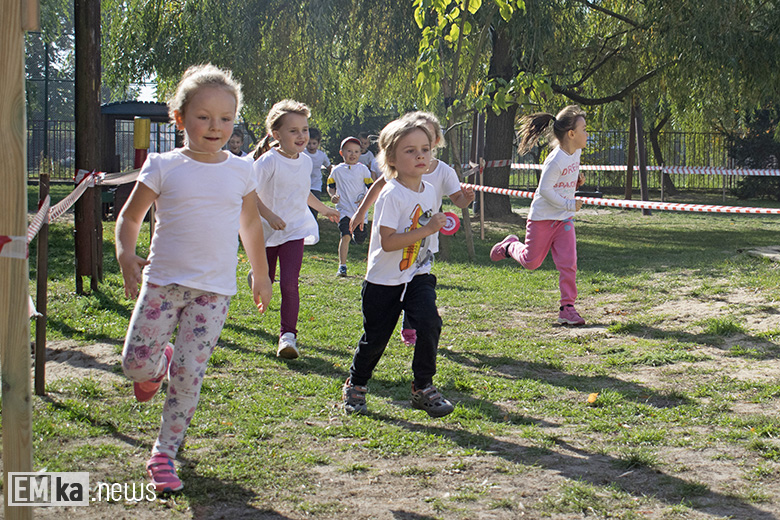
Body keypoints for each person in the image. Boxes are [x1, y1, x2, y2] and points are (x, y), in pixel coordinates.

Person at [116, 64, 273, 493]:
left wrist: (261, 274)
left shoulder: (241, 170)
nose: (216, 126)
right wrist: (125, 252)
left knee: (188, 374)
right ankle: (157, 365)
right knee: (135, 365)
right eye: (204, 117)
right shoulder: (163, 165)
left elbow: (250, 225)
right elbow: (130, 217)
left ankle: (164, 453)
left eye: (226, 118)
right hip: (162, 284)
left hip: (213, 292)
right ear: (180, 118)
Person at [342, 117, 454, 418]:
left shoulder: (429, 189)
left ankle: (423, 387)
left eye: (425, 149)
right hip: (384, 280)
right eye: (410, 151)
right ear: (391, 158)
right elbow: (389, 242)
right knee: (376, 339)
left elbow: (425, 225)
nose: (420, 156)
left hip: (418, 274)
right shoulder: (391, 193)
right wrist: (427, 229)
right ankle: (356, 384)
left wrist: (433, 228)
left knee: (429, 322)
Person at [350, 111, 475, 346]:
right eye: (411, 145)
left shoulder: (443, 171)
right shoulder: (396, 182)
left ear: (435, 141)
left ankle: (413, 329)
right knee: (377, 333)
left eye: (425, 142)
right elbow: (379, 185)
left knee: (419, 294)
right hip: (399, 243)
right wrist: (361, 211)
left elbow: (458, 200)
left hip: (425, 243)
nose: (419, 152)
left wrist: (466, 199)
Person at [251, 99, 340, 359]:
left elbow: (303, 193)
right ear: (276, 134)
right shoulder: (267, 162)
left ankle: (288, 336)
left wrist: (324, 209)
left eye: (305, 130)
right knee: (266, 280)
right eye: (294, 131)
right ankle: (257, 275)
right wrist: (269, 215)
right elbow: (248, 194)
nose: (302, 136)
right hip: (266, 233)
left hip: (294, 230)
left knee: (290, 283)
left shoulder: (306, 162)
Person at [490, 105, 588, 326]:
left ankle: (567, 308)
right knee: (531, 262)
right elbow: (545, 190)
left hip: (563, 220)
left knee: (569, 263)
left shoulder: (576, 152)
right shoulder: (555, 160)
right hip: (542, 218)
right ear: (571, 134)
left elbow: (562, 182)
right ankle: (510, 246)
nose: (587, 134)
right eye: (584, 129)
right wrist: (569, 203)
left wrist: (575, 182)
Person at [327, 136, 373, 277]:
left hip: (360, 211)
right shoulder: (337, 170)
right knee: (345, 235)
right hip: (344, 209)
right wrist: (333, 196)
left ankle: (357, 236)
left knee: (360, 239)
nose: (353, 154)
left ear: (360, 153)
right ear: (342, 153)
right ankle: (342, 266)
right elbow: (330, 186)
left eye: (356, 151)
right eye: (349, 151)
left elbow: (371, 187)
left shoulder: (363, 169)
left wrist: (364, 199)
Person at [303, 127, 332, 218]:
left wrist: (333, 179)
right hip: (303, 184)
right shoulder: (302, 153)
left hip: (316, 185)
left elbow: (329, 167)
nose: (311, 146)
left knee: (314, 209)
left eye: (314, 143)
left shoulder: (321, 155)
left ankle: (313, 223)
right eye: (309, 143)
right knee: (303, 207)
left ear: (318, 143)